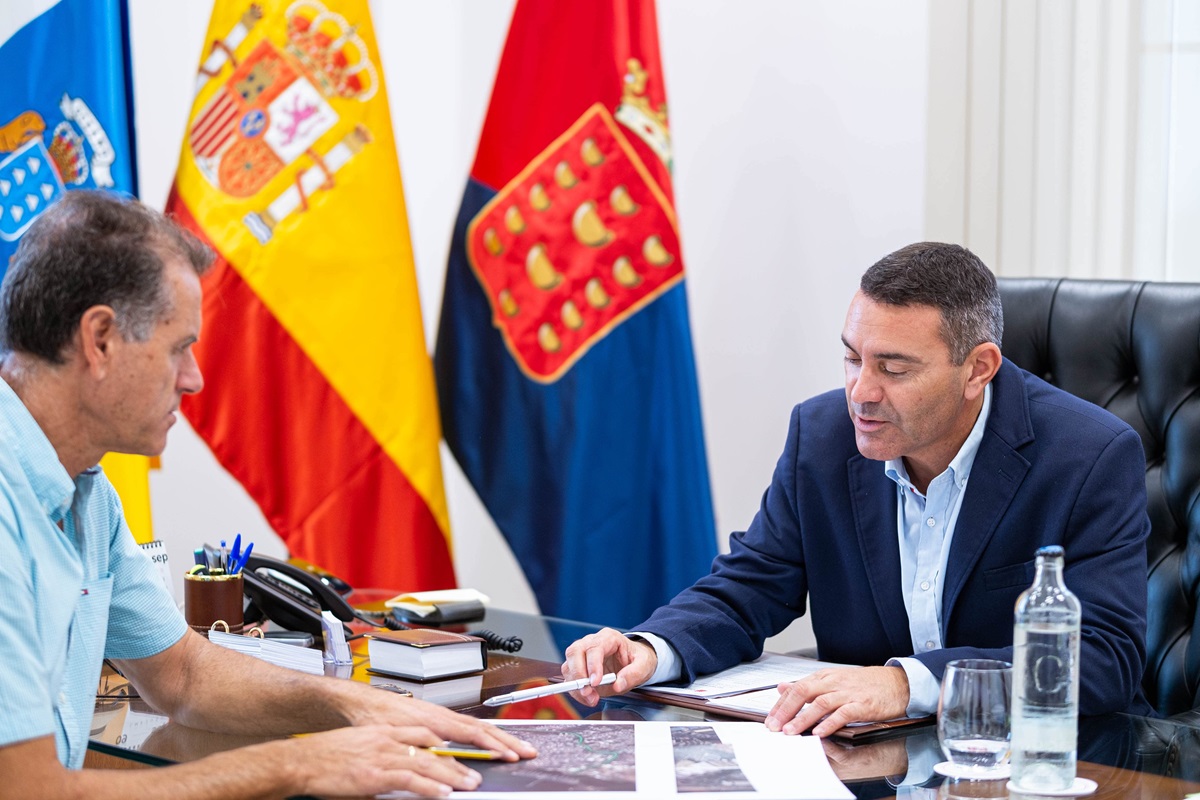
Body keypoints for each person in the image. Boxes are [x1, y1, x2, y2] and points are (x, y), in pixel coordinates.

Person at [0, 191, 536, 799]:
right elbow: (26, 791)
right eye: (179, 348)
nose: (194, 379)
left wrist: (358, 706)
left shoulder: (87, 494)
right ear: (99, 340)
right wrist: (298, 766)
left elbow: (184, 674)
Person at [563, 242, 1151, 738]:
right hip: (876, 764)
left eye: (893, 369)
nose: (861, 393)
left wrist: (904, 683)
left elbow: (1103, 659)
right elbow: (750, 585)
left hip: (1052, 765)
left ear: (978, 369)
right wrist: (655, 646)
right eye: (852, 358)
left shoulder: (1089, 456)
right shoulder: (821, 436)